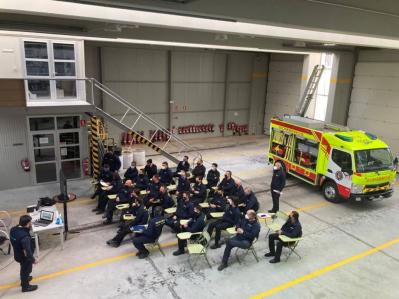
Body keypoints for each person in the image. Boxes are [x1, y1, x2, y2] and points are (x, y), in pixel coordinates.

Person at [9, 215, 38, 292]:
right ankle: (25, 287)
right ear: (28, 224)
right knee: (25, 270)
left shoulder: (13, 229)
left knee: (24, 269)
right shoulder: (25, 237)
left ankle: (25, 279)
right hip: (24, 257)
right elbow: (27, 252)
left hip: (17, 254)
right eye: (31, 222)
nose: (32, 224)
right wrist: (33, 260)